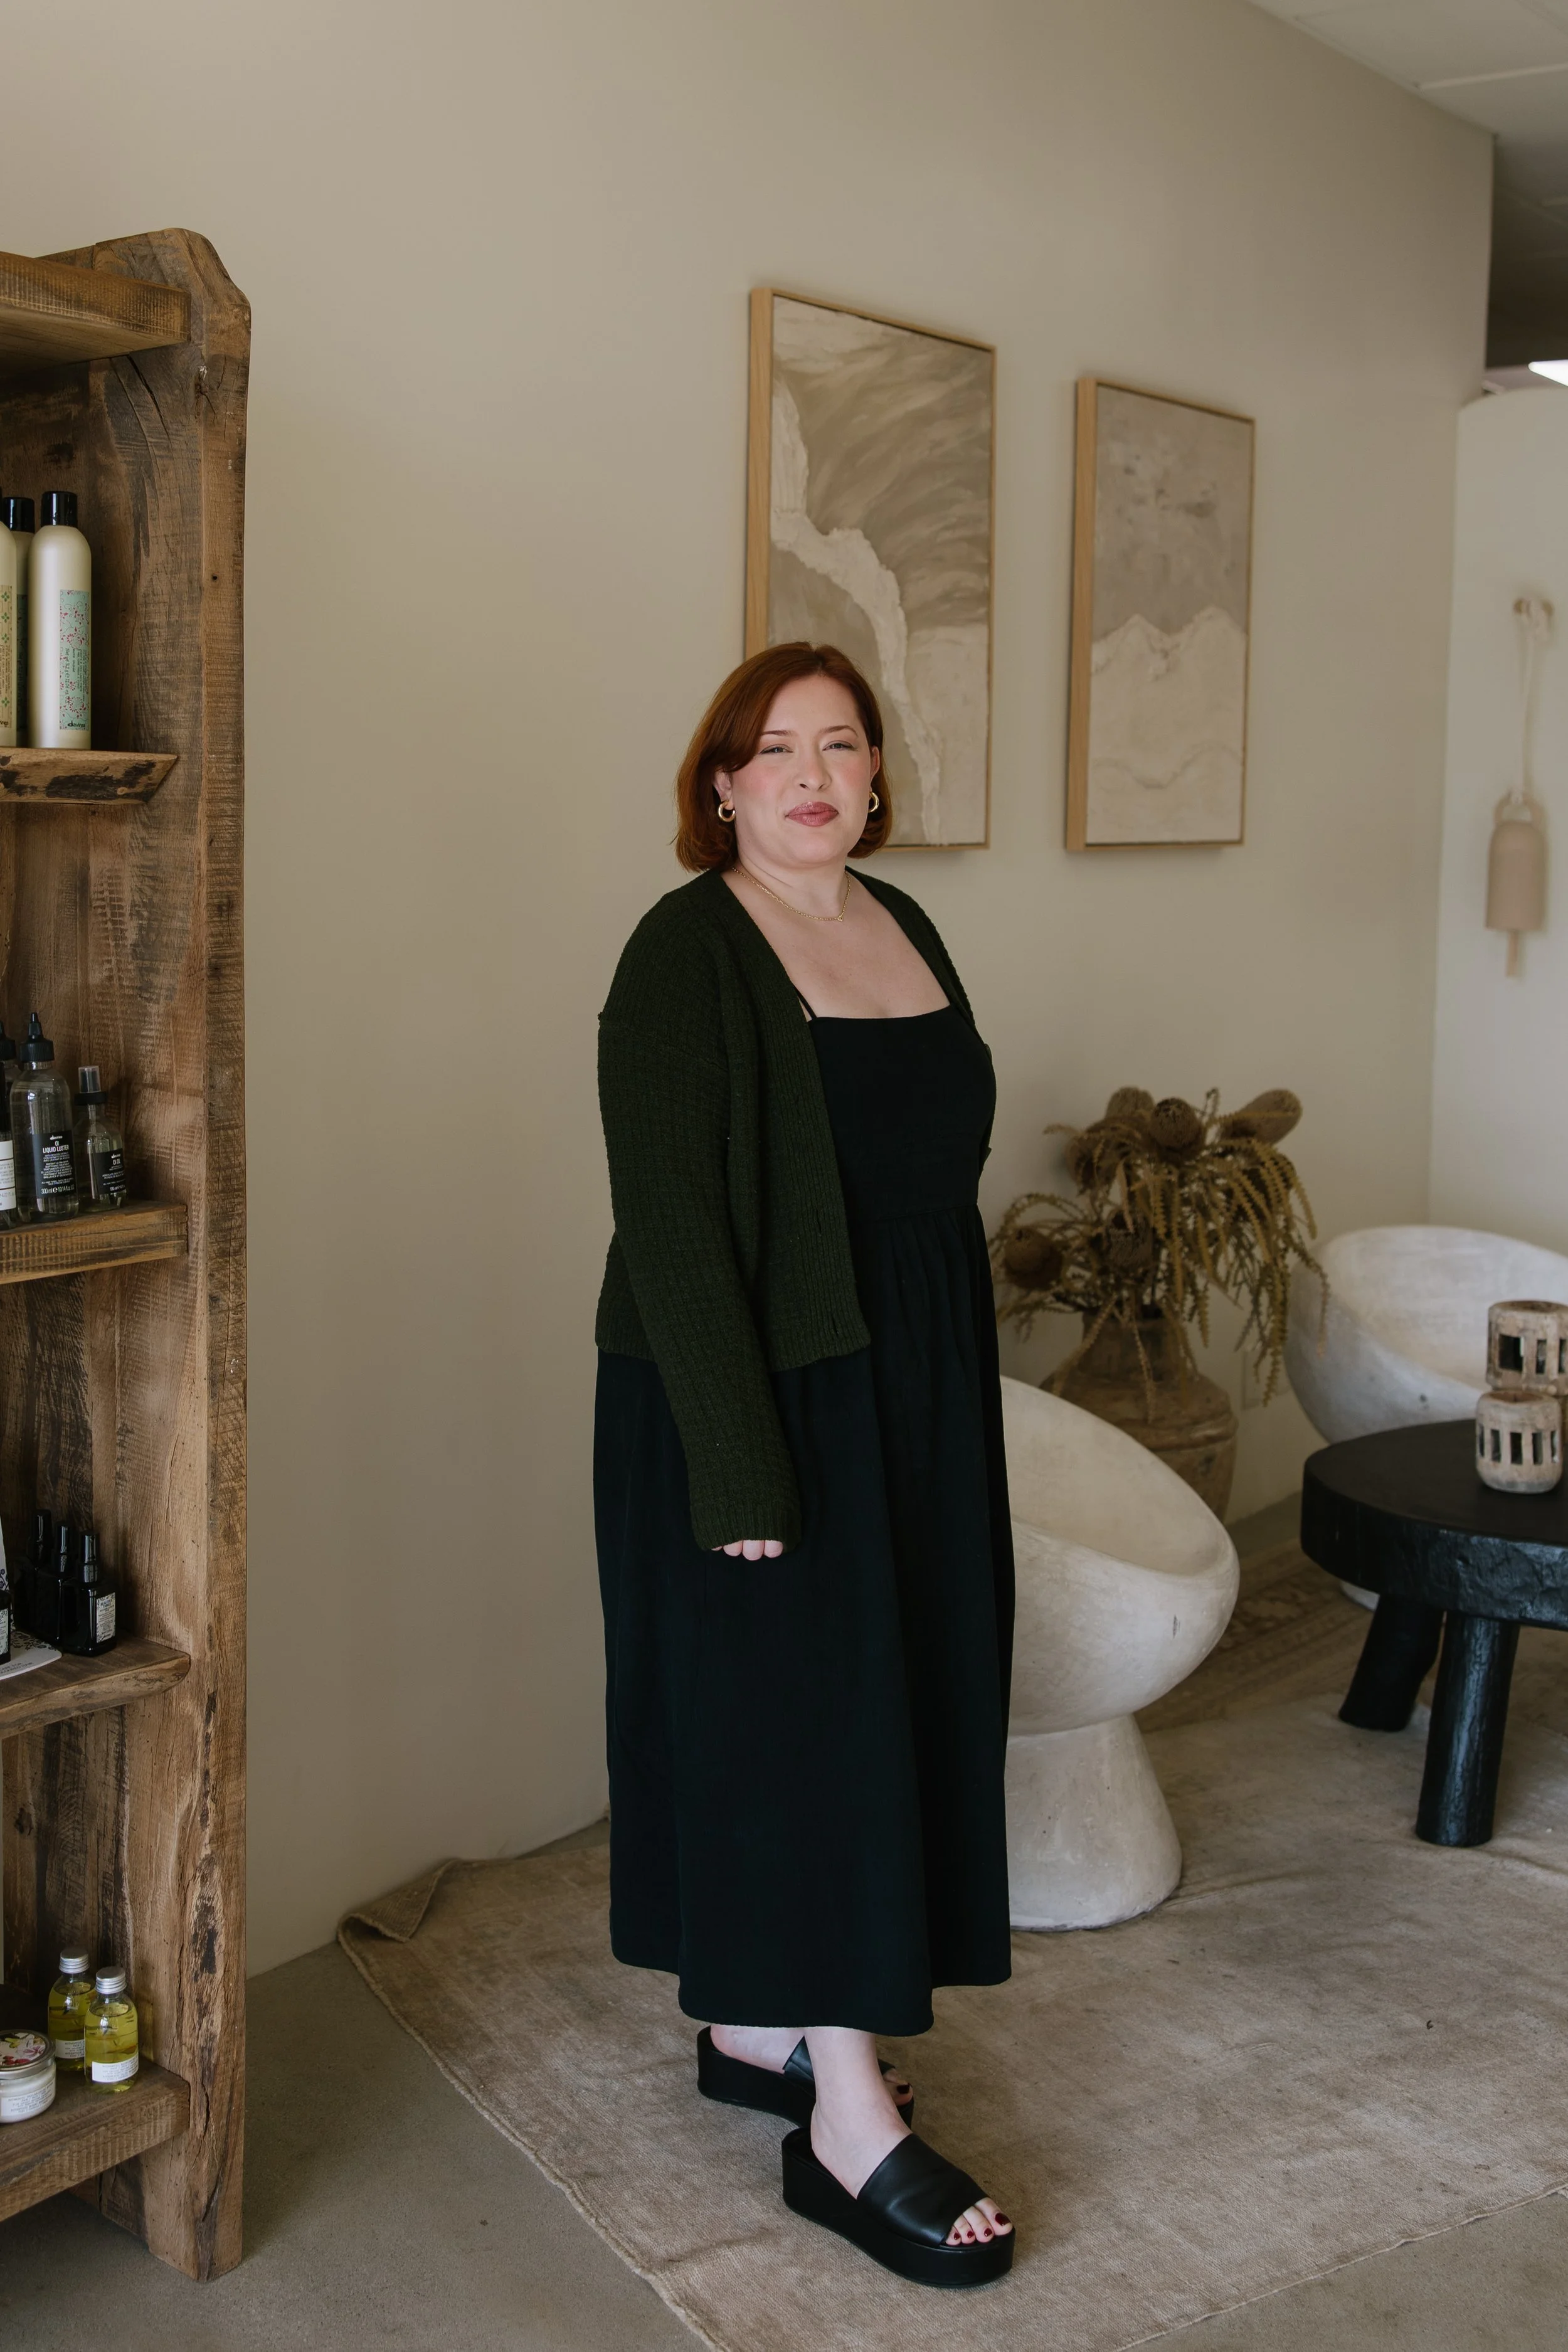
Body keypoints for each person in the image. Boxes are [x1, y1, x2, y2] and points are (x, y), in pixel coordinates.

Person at [593, 641, 1016, 2287]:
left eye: (840, 744)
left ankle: (760, 2020)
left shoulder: (900, 924)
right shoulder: (685, 952)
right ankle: (842, 2118)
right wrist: (745, 1477)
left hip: (904, 1375)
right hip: (752, 1396)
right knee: (813, 1734)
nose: (812, 774)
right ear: (720, 783)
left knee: (893, 1698)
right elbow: (679, 1231)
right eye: (775, 750)